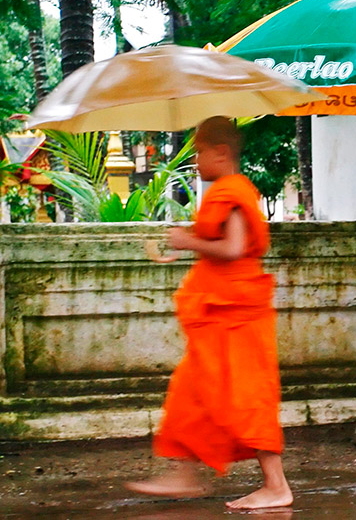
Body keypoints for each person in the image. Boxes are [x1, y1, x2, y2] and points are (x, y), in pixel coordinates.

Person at [125, 116, 292, 510]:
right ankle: (184, 474)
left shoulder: (231, 191)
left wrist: (186, 241)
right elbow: (220, 243)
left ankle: (276, 484)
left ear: (222, 152)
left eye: (199, 151)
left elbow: (233, 249)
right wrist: (186, 244)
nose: (195, 159)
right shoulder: (228, 191)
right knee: (192, 391)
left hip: (236, 313)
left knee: (246, 397)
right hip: (223, 310)